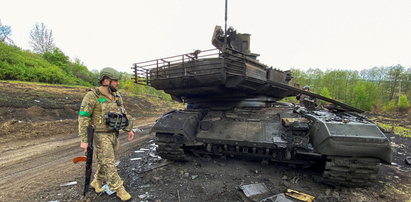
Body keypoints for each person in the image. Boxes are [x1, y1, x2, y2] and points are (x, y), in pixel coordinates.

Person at [78, 67, 135, 201]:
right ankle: (119, 189)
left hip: (114, 134)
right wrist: (84, 140)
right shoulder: (92, 96)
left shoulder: (117, 96)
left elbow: (123, 113)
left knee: (107, 161)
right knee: (109, 163)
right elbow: (83, 117)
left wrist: (129, 129)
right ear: (105, 80)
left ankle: (96, 182)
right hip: (99, 135)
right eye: (115, 81)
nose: (118, 83)